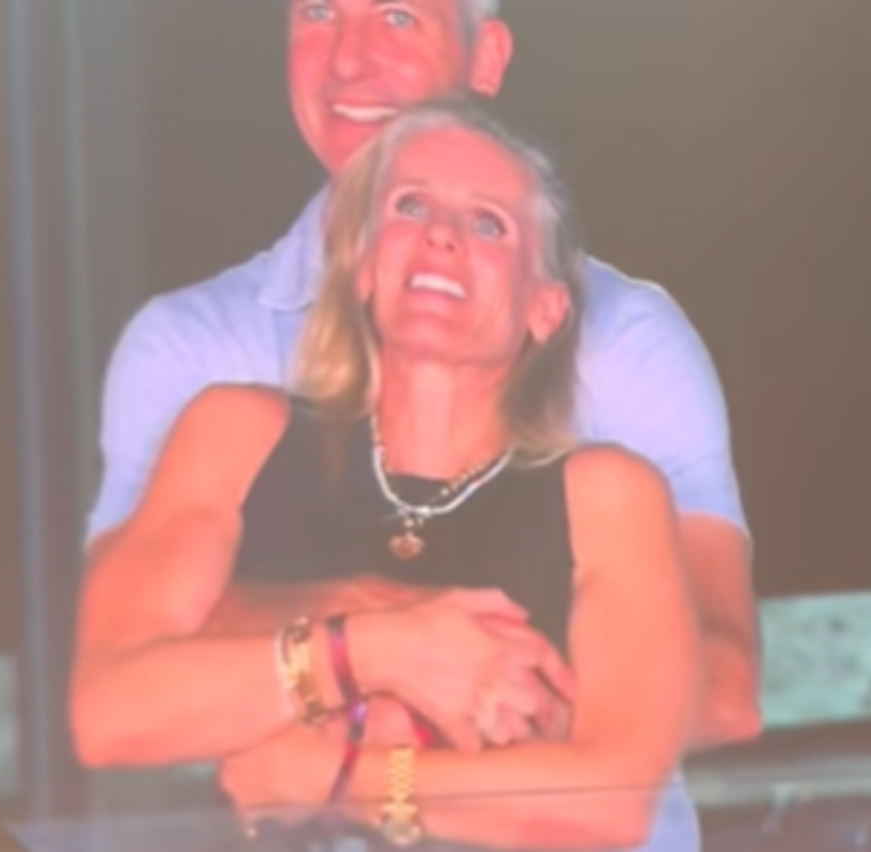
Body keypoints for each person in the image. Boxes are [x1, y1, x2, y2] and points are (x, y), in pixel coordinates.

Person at [85, 0, 759, 751]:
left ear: (486, 58)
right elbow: (114, 665)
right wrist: (387, 635)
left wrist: (411, 701)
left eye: (398, 18)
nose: (347, 61)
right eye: (319, 12)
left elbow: (723, 690)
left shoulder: (625, 337)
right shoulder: (188, 347)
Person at [72, 99, 702, 851]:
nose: (441, 233)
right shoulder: (236, 432)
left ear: (546, 309)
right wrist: (379, 650)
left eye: (488, 224)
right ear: (366, 267)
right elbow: (110, 713)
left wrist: (340, 777)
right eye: (410, 205)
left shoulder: (606, 494)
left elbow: (609, 806)